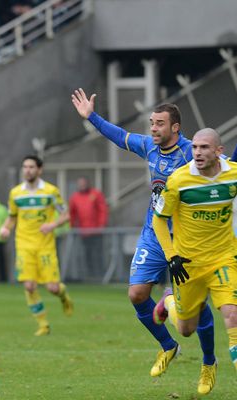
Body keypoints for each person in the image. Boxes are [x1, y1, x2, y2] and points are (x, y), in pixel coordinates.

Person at [71, 88, 217, 378]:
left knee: (195, 306)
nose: (153, 128)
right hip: (154, 232)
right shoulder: (149, 146)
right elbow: (119, 136)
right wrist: (92, 117)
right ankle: (167, 345)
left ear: (175, 127)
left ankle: (209, 362)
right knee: (137, 294)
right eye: (151, 123)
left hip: (186, 238)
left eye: (159, 123)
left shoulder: (191, 151)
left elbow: (222, 167)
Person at [151, 128, 237, 395]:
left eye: (204, 148)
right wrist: (171, 255)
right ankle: (168, 300)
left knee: (232, 314)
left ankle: (210, 365)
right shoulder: (179, 180)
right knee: (186, 329)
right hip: (187, 263)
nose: (197, 153)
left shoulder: (233, 174)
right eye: (195, 147)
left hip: (224, 258)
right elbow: (159, 220)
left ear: (218, 151)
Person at [0, 155, 74, 336]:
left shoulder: (50, 191)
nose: (28, 170)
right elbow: (12, 217)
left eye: (32, 167)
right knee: (29, 286)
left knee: (52, 288)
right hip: (24, 245)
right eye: (25, 167)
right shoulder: (15, 193)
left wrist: (52, 225)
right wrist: (5, 228)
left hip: (45, 246)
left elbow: (66, 215)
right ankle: (43, 325)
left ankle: (63, 295)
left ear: (39, 170)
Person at [68, 176, 108, 276]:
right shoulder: (75, 197)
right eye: (80, 184)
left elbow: (102, 210)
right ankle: (89, 274)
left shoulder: (96, 194)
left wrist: (101, 226)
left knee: (98, 254)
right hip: (83, 232)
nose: (82, 186)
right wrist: (72, 227)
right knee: (87, 254)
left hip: (96, 231)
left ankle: (100, 274)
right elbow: (72, 213)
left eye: (83, 183)